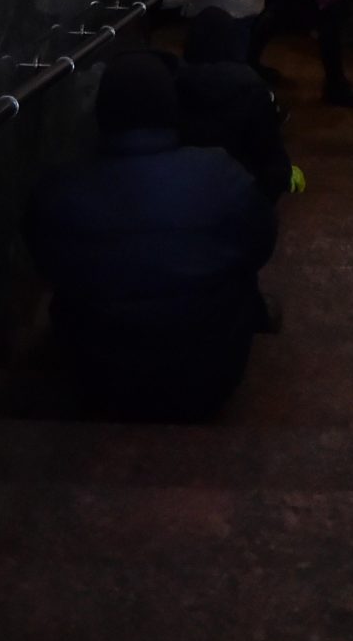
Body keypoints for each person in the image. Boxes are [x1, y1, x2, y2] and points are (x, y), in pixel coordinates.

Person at [29, 53, 277, 422]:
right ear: (171, 110)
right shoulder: (221, 173)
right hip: (208, 377)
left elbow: (47, 264)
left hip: (99, 380)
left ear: (102, 116)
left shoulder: (57, 191)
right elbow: (261, 245)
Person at [175, 9, 294, 197]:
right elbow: (271, 158)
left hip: (187, 187)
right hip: (241, 187)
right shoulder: (252, 88)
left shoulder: (172, 82)